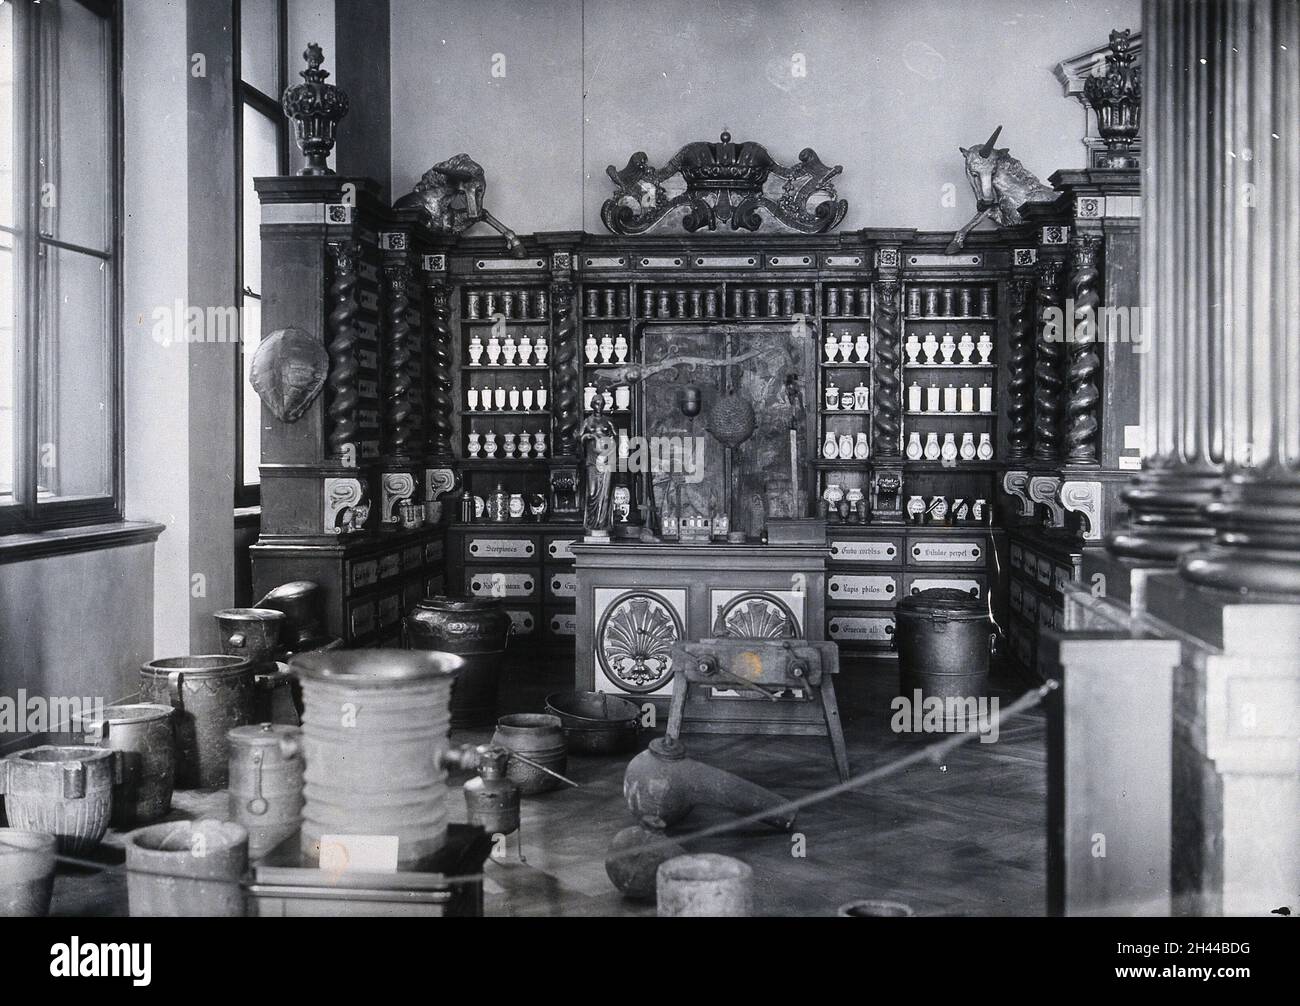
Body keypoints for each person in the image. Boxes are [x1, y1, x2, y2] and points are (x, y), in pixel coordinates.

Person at [579, 384, 617, 538]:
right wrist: (590, 436)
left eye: (601, 403)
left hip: (607, 459)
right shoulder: (587, 421)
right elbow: (579, 437)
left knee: (606, 494)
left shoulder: (608, 422)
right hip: (592, 460)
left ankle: (603, 523)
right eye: (596, 403)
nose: (599, 406)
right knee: (593, 492)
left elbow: (616, 437)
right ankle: (591, 523)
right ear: (592, 405)